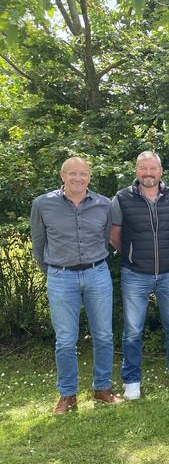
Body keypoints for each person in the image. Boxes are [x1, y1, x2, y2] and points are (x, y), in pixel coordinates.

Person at [31, 157, 124, 413]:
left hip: (97, 274)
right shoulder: (43, 204)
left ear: (90, 177)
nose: (78, 179)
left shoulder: (103, 204)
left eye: (83, 174)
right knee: (65, 340)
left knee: (104, 335)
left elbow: (105, 237)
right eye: (72, 174)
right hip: (61, 277)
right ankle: (67, 395)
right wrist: (51, 271)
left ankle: (102, 388)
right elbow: (38, 243)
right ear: (62, 176)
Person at [111, 151, 169, 400]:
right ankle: (132, 380)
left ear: (161, 171)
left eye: (153, 169)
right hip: (135, 273)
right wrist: (134, 255)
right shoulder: (122, 198)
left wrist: (165, 253)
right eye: (143, 169)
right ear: (136, 170)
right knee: (133, 330)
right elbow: (115, 236)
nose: (148, 173)